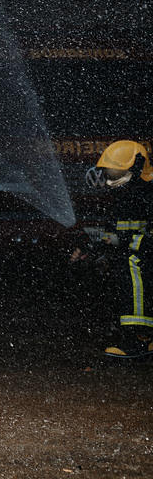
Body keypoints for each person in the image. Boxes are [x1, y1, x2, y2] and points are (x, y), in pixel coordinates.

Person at [77, 140, 153, 358]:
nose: (110, 179)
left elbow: (139, 239)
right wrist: (94, 249)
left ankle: (141, 338)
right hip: (138, 253)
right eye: (109, 174)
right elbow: (115, 234)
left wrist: (127, 241)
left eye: (114, 173)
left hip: (144, 257)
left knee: (133, 263)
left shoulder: (148, 195)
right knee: (121, 266)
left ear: (135, 168)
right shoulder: (125, 198)